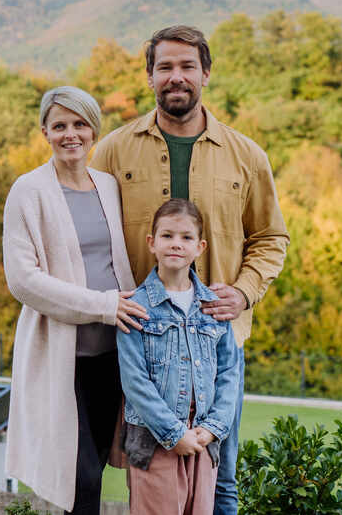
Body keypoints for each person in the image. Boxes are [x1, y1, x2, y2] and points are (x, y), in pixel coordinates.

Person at [91, 25, 289, 515]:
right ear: (150, 76)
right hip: (135, 341)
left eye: (186, 66)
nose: (175, 77)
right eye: (165, 67)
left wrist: (244, 292)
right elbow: (92, 237)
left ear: (206, 73)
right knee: (141, 476)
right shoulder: (114, 150)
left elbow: (271, 238)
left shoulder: (247, 156)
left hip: (217, 344)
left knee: (221, 482)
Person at [2, 86, 148, 514]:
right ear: (45, 132)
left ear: (93, 131)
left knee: (95, 469)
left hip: (114, 354)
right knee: (78, 476)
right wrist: (104, 305)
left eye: (80, 124)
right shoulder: (28, 191)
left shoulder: (108, 186)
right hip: (63, 358)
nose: (71, 134)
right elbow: (23, 281)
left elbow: (121, 261)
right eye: (60, 125)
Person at [118, 199, 239, 515]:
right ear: (151, 243)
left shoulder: (213, 307)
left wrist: (212, 428)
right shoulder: (136, 306)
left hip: (202, 438)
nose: (176, 244)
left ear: (200, 247)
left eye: (186, 237)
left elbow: (229, 373)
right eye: (167, 236)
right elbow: (134, 381)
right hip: (155, 439)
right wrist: (174, 434)